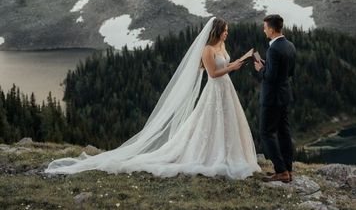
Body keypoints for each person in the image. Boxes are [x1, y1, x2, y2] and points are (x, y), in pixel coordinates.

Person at [45, 17, 260, 179]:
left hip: (226, 89)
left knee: (227, 122)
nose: (227, 34)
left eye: (227, 31)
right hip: (215, 90)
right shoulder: (207, 49)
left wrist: (243, 58)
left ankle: (229, 154)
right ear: (216, 31)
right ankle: (210, 155)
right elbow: (213, 74)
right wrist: (233, 66)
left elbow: (227, 65)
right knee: (208, 122)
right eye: (225, 31)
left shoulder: (221, 47)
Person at [254, 14, 296, 183]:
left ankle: (281, 171)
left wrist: (260, 69)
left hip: (271, 97)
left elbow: (270, 77)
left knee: (266, 132)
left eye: (265, 28)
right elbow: (289, 72)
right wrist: (268, 64)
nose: (264, 31)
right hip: (285, 95)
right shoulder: (290, 45)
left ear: (271, 29)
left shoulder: (273, 49)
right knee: (284, 133)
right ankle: (289, 169)